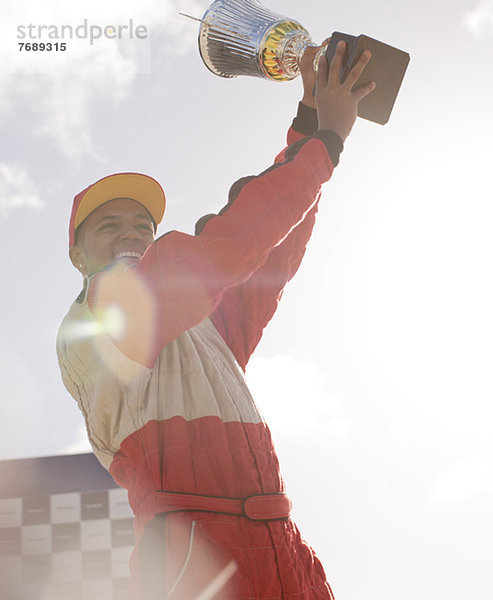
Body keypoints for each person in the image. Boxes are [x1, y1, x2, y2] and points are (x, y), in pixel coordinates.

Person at [57, 41, 375, 600]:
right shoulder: (99, 314)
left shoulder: (197, 324)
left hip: (282, 545)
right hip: (194, 554)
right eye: (109, 226)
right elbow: (227, 245)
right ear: (79, 257)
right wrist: (327, 142)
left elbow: (266, 251)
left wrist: (307, 125)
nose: (132, 232)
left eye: (142, 223)